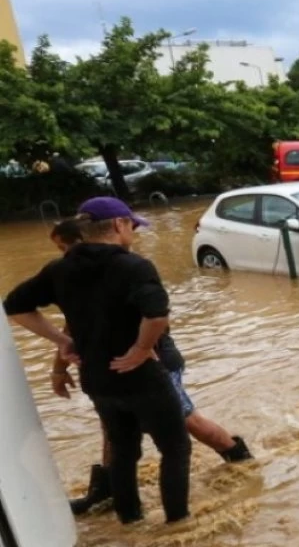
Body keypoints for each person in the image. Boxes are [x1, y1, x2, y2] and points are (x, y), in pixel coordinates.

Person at [4, 198, 192, 525]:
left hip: (97, 380)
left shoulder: (59, 269)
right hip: (141, 377)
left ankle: (129, 520)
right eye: (131, 225)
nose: (132, 231)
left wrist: (63, 342)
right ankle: (178, 523)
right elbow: (157, 315)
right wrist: (139, 349)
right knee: (175, 449)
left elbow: (15, 307)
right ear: (119, 224)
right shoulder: (134, 266)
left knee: (122, 452)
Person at [46, 219, 252, 516]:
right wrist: (58, 367)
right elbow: (72, 327)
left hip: (153, 364)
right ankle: (110, 493)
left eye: (67, 247)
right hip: (112, 369)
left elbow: (155, 318)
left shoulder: (125, 269)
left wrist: (143, 352)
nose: (65, 254)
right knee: (112, 430)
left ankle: (239, 459)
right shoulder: (81, 276)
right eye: (61, 249)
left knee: (186, 421)